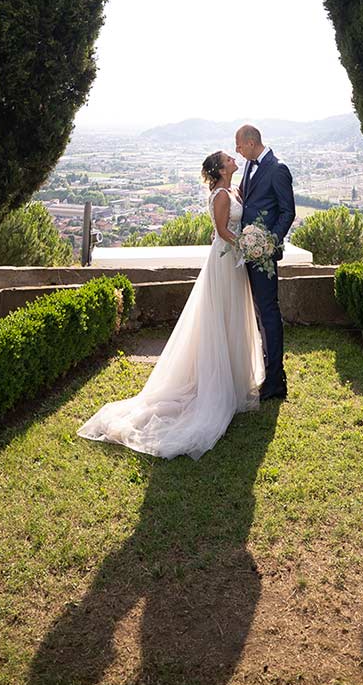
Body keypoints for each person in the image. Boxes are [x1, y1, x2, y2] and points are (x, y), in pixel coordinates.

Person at [75, 149, 265, 459]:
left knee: (233, 317)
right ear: (220, 168)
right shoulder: (221, 195)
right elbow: (220, 231)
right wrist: (246, 244)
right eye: (228, 158)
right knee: (222, 316)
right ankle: (216, 387)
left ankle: (234, 378)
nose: (234, 159)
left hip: (233, 262)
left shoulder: (234, 189)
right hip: (225, 259)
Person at [233, 123, 294, 400]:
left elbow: (287, 211)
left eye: (239, 144)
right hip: (247, 250)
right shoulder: (248, 165)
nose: (236, 149)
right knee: (258, 312)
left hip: (264, 254)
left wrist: (270, 241)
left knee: (268, 312)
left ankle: (276, 379)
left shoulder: (277, 168)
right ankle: (266, 371)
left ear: (250, 141)